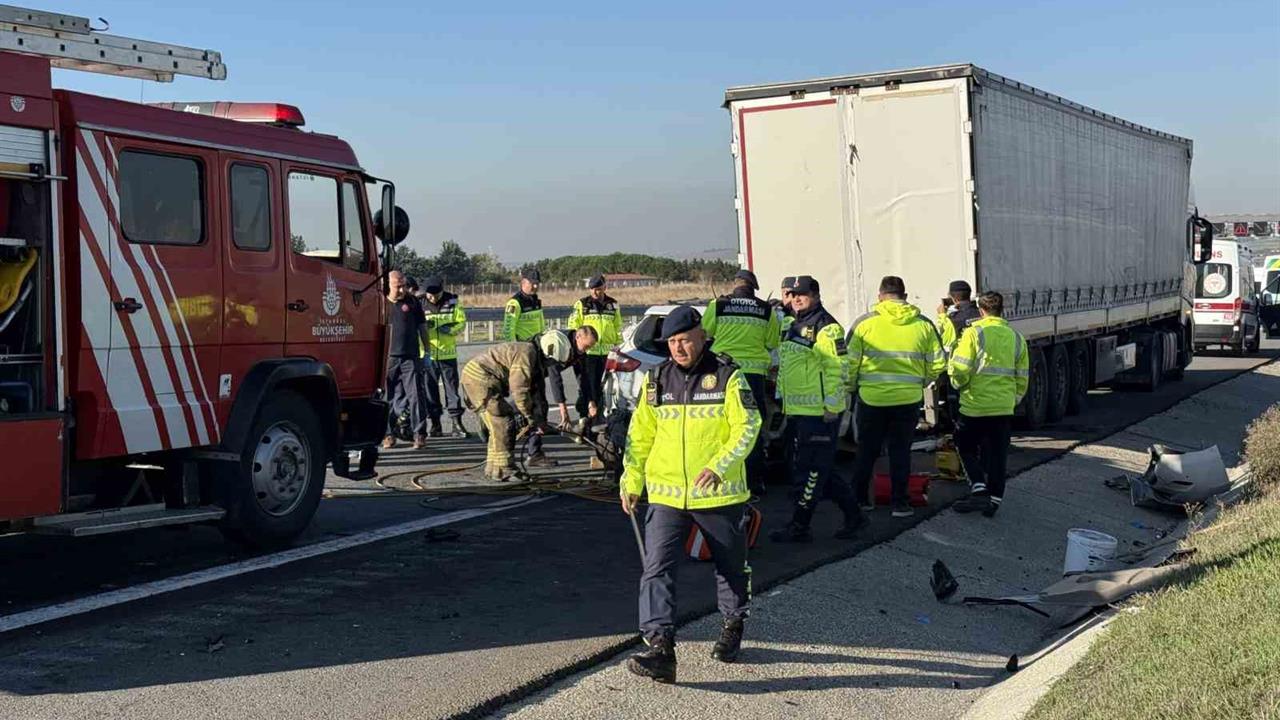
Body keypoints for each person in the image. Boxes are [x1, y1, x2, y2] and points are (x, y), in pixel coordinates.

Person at [620, 306, 761, 683]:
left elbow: (748, 426)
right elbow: (640, 436)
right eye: (672, 342)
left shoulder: (728, 375)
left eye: (684, 340)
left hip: (718, 494)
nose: (678, 348)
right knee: (657, 568)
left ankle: (733, 623)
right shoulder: (656, 380)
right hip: (666, 494)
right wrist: (631, 480)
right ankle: (660, 648)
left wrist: (719, 466)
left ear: (701, 336)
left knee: (731, 567)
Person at [770, 276, 865, 543]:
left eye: (802, 294)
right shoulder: (793, 325)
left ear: (816, 295)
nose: (797, 298)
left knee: (809, 472)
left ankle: (800, 526)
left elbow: (839, 370)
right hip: (799, 412)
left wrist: (833, 409)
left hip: (821, 415)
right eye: (793, 294)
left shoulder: (827, 328)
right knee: (820, 470)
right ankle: (855, 517)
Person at [847, 276, 946, 518]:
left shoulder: (864, 324)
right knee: (900, 452)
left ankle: (861, 500)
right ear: (905, 296)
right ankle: (900, 503)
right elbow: (938, 362)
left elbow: (848, 362)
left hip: (872, 399)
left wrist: (851, 387)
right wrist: (921, 381)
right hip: (908, 399)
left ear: (880, 296)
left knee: (866, 452)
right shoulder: (923, 324)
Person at [949, 292, 1029, 517]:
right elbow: (1022, 375)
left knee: (964, 446)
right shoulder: (1016, 338)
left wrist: (957, 384)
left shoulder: (973, 333)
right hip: (1003, 407)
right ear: (1001, 309)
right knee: (997, 454)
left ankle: (978, 488)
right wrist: (1014, 399)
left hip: (974, 405)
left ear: (980, 310)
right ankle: (993, 502)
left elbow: (962, 368)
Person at [701, 269, 780, 495]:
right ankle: (753, 482)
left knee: (721, 425)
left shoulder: (718, 305)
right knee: (750, 427)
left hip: (723, 372)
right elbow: (772, 342)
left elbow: (705, 333)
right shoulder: (766, 310)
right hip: (753, 375)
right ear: (753, 288)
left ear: (735, 285)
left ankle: (719, 478)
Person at [460, 332, 567, 481]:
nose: (550, 366)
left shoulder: (530, 351)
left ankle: (493, 467)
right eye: (551, 362)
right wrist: (528, 417)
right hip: (480, 380)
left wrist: (535, 418)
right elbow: (519, 390)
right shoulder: (527, 354)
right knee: (503, 422)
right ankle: (505, 469)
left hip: (478, 378)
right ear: (547, 352)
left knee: (496, 426)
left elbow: (532, 390)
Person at [525, 326, 600, 467]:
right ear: (578, 337)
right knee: (538, 407)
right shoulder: (559, 343)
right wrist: (563, 410)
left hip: (541, 370)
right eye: (586, 346)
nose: (586, 350)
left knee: (535, 406)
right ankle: (533, 454)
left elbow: (583, 378)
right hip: (531, 366)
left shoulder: (580, 350)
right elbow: (555, 379)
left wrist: (591, 402)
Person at [567, 274, 623, 433]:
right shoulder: (582, 304)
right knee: (587, 387)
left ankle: (599, 419)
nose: (595, 292)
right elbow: (574, 327)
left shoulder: (613, 305)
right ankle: (584, 419)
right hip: (588, 353)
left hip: (607, 353)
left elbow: (617, 327)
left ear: (604, 287)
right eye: (592, 289)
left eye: (598, 289)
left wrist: (617, 348)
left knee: (603, 388)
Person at [383, 271, 430, 450]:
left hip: (411, 357)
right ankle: (388, 434)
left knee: (416, 396)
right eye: (398, 286)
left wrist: (427, 351)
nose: (402, 289)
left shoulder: (412, 302)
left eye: (403, 285)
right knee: (387, 398)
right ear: (389, 285)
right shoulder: (381, 303)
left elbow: (422, 327)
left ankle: (419, 435)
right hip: (388, 358)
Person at [419, 276, 469, 438]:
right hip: (428, 356)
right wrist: (424, 328)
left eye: (436, 295)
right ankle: (435, 424)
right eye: (430, 295)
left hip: (448, 354)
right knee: (430, 391)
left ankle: (456, 423)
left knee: (452, 390)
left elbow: (461, 322)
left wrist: (449, 329)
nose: (433, 298)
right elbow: (412, 326)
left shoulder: (452, 301)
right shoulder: (419, 303)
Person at [502, 268, 545, 342]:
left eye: (537, 283)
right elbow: (508, 329)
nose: (535, 286)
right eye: (532, 283)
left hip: (536, 344)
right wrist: (513, 348)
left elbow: (541, 325)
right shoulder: (514, 303)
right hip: (522, 346)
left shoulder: (536, 301)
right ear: (523, 282)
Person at [936, 280, 981, 351]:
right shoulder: (982, 312)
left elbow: (945, 340)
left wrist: (942, 315)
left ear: (953, 299)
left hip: (964, 357)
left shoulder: (953, 319)